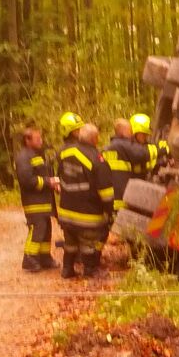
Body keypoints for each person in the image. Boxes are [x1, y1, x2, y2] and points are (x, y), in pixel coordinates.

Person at [55, 113, 113, 279]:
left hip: (66, 211)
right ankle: (91, 270)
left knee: (70, 242)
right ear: (95, 139)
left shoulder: (64, 153)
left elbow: (60, 176)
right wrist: (110, 211)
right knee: (90, 242)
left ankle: (67, 269)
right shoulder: (96, 158)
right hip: (87, 213)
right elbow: (106, 191)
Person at [15, 123, 59, 272]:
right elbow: (26, 179)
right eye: (37, 138)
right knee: (37, 229)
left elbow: (43, 174)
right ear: (27, 140)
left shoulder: (37, 156)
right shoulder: (23, 157)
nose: (41, 140)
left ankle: (44, 257)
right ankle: (29, 258)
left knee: (46, 229)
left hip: (44, 202)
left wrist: (53, 183)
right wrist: (48, 182)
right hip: (33, 203)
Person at [102, 117, 150, 213]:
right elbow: (143, 155)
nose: (131, 134)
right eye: (130, 131)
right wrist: (162, 149)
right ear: (123, 132)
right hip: (124, 198)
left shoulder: (106, 149)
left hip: (110, 199)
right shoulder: (125, 147)